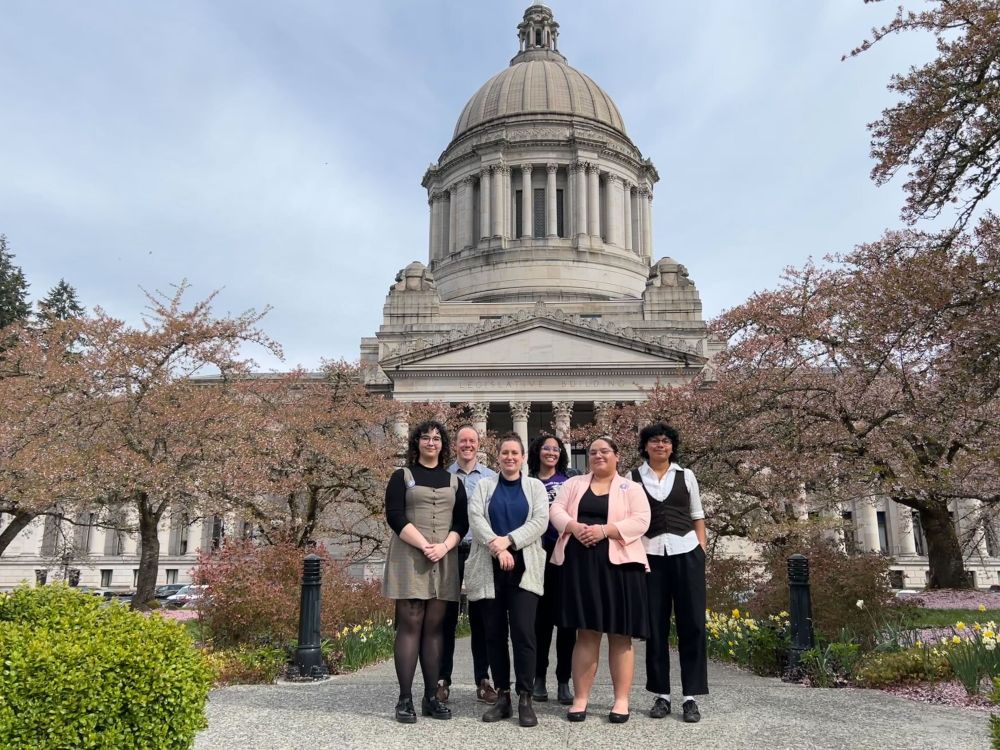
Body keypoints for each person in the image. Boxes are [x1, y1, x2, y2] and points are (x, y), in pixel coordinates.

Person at [550, 436, 651, 724]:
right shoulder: (573, 484)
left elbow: (642, 520)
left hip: (621, 567)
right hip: (581, 566)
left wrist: (605, 531)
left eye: (605, 451)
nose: (598, 456)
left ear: (617, 456)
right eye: (593, 452)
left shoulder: (631, 488)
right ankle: (581, 699)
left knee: (621, 635)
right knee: (587, 632)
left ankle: (621, 701)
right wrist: (574, 526)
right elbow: (555, 510)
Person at [383, 420, 468, 723]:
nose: (431, 443)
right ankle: (405, 698)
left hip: (444, 558)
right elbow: (394, 515)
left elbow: (462, 523)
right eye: (425, 438)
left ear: (443, 445)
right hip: (410, 555)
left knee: (434, 628)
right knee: (410, 623)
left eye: (436, 438)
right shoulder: (401, 476)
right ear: (416, 442)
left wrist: (443, 547)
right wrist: (424, 544)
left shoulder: (453, 481)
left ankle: (431, 695)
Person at [465, 432, 549, 726]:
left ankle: (525, 695)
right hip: (490, 570)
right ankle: (503, 696)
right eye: (505, 453)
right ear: (498, 457)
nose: (510, 458)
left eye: (515, 453)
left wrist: (509, 542)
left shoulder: (535, 487)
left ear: (523, 457)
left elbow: (540, 522)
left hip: (525, 570)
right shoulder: (485, 486)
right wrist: (497, 547)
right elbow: (476, 520)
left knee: (525, 633)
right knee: (494, 635)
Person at [632, 422, 708, 723]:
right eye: (654, 441)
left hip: (686, 552)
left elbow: (697, 515)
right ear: (646, 446)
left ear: (672, 446)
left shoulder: (686, 476)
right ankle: (661, 693)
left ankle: (690, 695)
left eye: (665, 441)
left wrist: (700, 551)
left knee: (693, 626)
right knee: (656, 627)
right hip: (651, 556)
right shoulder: (633, 478)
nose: (660, 445)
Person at [437, 425, 498, 705]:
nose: (467, 445)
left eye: (472, 441)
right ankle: (442, 679)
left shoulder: (491, 477)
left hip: (480, 551)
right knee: (446, 617)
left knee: (481, 618)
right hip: (449, 551)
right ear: (456, 445)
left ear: (478, 443)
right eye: (463, 441)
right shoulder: (443, 476)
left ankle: (482, 680)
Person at [527, 433, 578, 705]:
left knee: (567, 622)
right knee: (540, 622)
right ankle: (538, 677)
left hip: (565, 556)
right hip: (536, 556)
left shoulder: (570, 481)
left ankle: (563, 679)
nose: (551, 452)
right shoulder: (527, 481)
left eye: (556, 449)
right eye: (546, 448)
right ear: (538, 451)